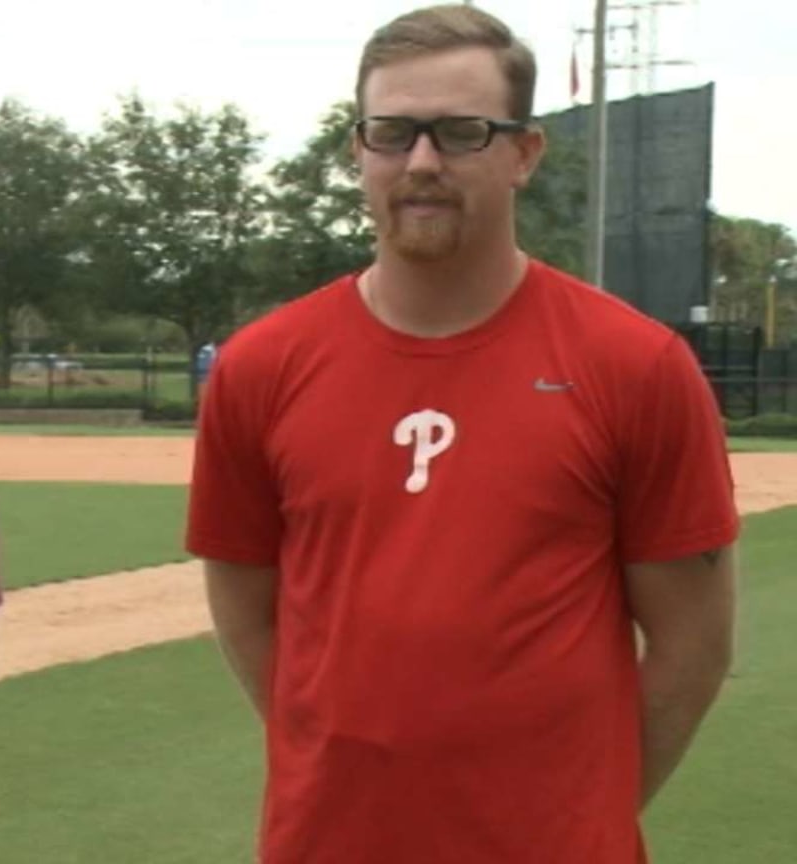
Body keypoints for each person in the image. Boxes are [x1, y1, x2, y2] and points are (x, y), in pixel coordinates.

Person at [185, 6, 738, 863]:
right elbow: (248, 618)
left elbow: (692, 648)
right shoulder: (262, 368)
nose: (422, 163)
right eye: (393, 133)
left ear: (524, 153)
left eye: (461, 133)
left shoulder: (637, 367)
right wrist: (343, 767)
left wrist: (576, 814)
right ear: (357, 150)